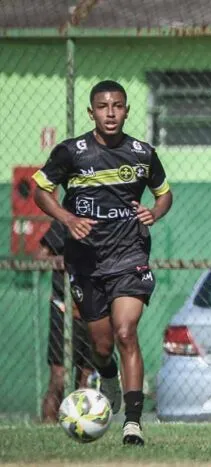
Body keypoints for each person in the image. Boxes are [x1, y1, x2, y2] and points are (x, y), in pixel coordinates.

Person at [32, 80, 173, 445]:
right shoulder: (71, 153)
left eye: (118, 106)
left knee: (127, 332)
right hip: (86, 263)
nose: (111, 113)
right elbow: (40, 190)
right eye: (103, 106)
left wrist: (154, 212)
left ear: (127, 110)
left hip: (130, 257)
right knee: (101, 347)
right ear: (91, 111)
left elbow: (165, 194)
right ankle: (106, 376)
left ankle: (133, 422)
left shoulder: (142, 153)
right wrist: (67, 219)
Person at [38, 220, 95, 423]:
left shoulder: (110, 216)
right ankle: (47, 427)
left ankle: (82, 426)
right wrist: (66, 261)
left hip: (93, 310)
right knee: (59, 377)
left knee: (86, 379)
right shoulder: (66, 220)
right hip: (64, 309)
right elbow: (42, 257)